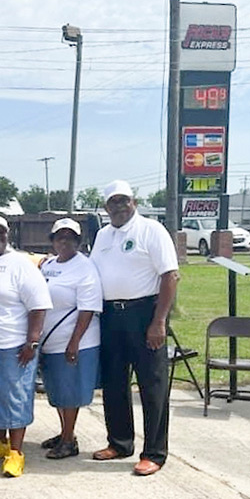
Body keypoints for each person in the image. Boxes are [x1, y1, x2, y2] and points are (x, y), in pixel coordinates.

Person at [89, 180, 179, 476]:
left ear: (134, 202)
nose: (118, 206)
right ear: (105, 207)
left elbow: (170, 276)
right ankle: (120, 442)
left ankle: (154, 452)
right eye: (112, 202)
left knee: (152, 386)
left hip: (145, 314)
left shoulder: (151, 230)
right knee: (114, 383)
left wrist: (159, 321)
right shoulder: (102, 235)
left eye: (124, 201)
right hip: (111, 316)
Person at [0, 215, 51, 478]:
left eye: (1, 233)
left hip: (12, 345)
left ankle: (16, 452)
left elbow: (38, 305)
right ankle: (0, 442)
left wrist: (32, 341)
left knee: (14, 398)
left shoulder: (20, 264)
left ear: (8, 235)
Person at [39, 218, 103, 460]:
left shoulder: (85, 267)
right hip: (50, 341)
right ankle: (65, 432)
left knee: (70, 392)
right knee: (57, 390)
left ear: (79, 241)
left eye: (70, 237)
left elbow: (87, 309)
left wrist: (74, 342)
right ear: (53, 240)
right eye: (59, 237)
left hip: (75, 341)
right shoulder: (49, 264)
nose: (64, 242)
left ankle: (68, 440)